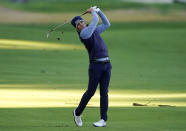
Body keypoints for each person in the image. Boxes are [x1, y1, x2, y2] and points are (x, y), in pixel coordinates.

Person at [71, 6, 112, 127]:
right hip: (96, 66)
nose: (82, 24)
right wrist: (93, 12)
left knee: (104, 92)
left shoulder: (93, 30)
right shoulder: (84, 34)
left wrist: (99, 11)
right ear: (77, 28)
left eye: (82, 21)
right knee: (91, 92)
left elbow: (107, 24)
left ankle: (103, 120)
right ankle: (77, 113)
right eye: (79, 24)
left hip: (106, 64)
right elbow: (94, 21)